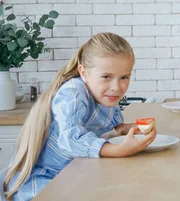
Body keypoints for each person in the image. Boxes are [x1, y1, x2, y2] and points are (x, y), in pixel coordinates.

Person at [4, 33, 156, 201]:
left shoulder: (101, 94)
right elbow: (70, 141)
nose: (116, 87)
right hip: (43, 184)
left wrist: (122, 127)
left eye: (124, 77)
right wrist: (119, 150)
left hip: (71, 175)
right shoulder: (74, 93)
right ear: (83, 73)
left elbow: (108, 115)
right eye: (106, 77)